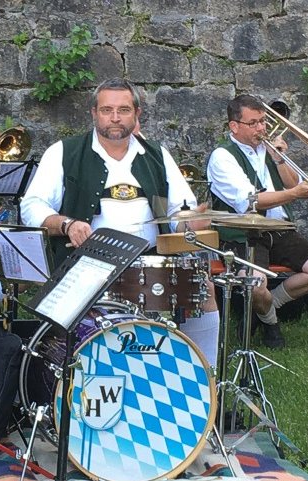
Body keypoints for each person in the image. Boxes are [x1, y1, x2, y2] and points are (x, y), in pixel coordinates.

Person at [21, 79, 218, 365]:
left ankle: (204, 379)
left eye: (123, 110)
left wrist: (191, 223)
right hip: (88, 265)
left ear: (137, 114)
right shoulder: (64, 152)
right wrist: (67, 224)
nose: (115, 117)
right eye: (107, 110)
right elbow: (31, 206)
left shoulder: (156, 155)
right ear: (93, 113)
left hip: (150, 263)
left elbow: (178, 212)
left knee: (203, 289)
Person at [204, 94, 308, 349]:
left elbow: (293, 184)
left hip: (279, 229)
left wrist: (279, 159)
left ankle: (268, 307)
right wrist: (294, 194)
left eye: (263, 122)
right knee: (255, 285)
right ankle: (271, 324)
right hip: (243, 233)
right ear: (234, 126)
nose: (261, 128)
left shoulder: (268, 149)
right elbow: (250, 202)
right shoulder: (223, 156)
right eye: (253, 123)